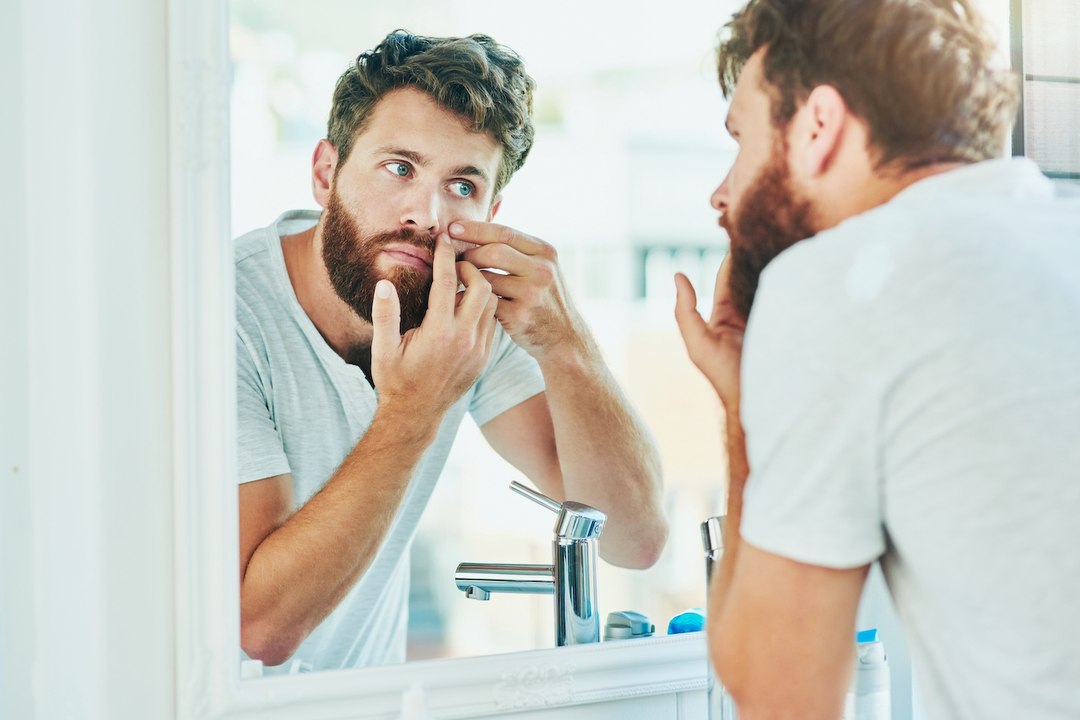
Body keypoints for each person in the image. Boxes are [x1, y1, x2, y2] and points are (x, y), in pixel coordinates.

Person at [673, 1, 1080, 718]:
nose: (722, 191)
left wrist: (743, 407)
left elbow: (780, 692)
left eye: (742, 140)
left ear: (818, 126)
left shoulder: (844, 280)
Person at [234, 30, 667, 673]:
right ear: (327, 172)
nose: (426, 212)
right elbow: (261, 627)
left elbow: (633, 539)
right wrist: (413, 411)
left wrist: (566, 342)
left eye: (461, 185)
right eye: (400, 168)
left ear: (492, 208)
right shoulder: (225, 315)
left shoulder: (463, 309)